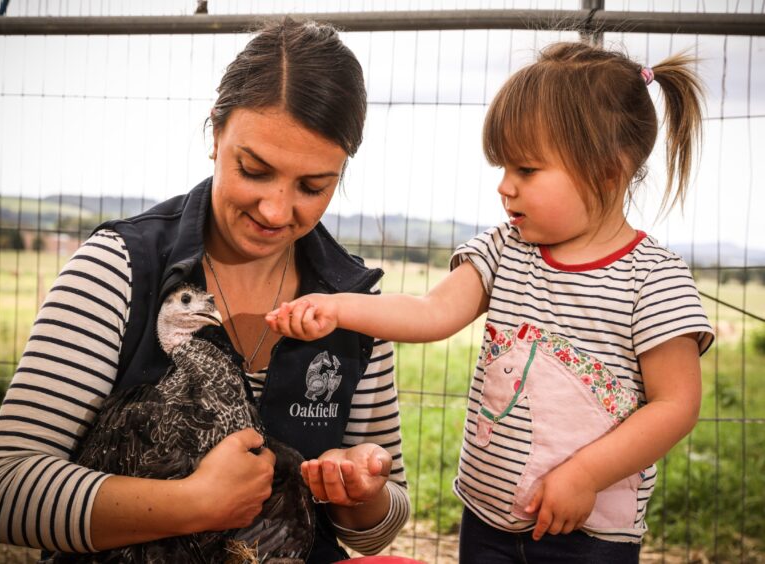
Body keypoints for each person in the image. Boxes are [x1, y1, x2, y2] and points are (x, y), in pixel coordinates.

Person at [0, 18, 409, 563]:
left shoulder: (358, 304)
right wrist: (193, 503)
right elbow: (3, 495)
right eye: (252, 169)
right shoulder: (118, 268)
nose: (275, 210)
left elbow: (375, 530)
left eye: (312, 186)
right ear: (215, 133)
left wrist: (363, 496)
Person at [267, 41, 714, 563]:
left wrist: (586, 474)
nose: (505, 187)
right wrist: (338, 308)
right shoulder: (505, 249)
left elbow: (676, 404)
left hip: (589, 537)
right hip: (487, 522)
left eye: (526, 170)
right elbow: (433, 313)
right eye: (503, 168)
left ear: (607, 171)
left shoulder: (653, 279)